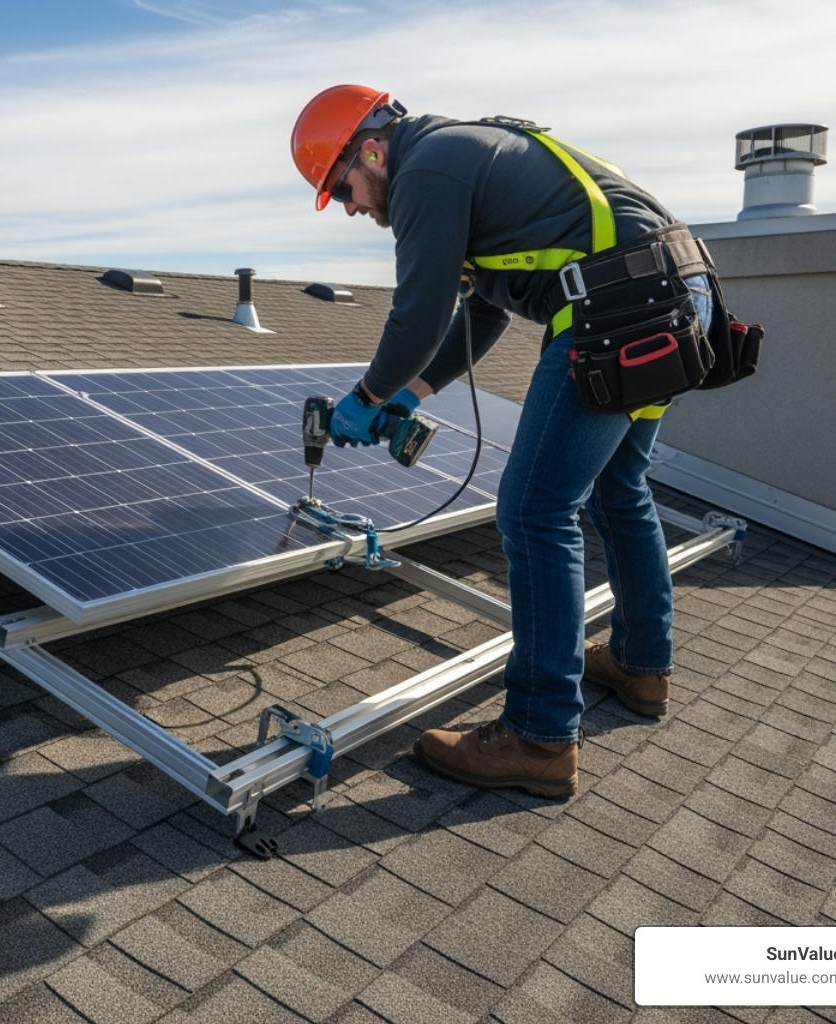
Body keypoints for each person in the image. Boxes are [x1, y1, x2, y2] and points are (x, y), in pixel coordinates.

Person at [291, 85, 716, 798]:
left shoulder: (428, 167)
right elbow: (479, 316)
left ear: (371, 147)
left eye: (345, 188)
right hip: (675, 294)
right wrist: (407, 394)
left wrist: (364, 397)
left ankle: (539, 737)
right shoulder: (469, 157)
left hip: (616, 304)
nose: (353, 207)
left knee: (534, 509)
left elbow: (419, 310)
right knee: (619, 487)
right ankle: (642, 663)